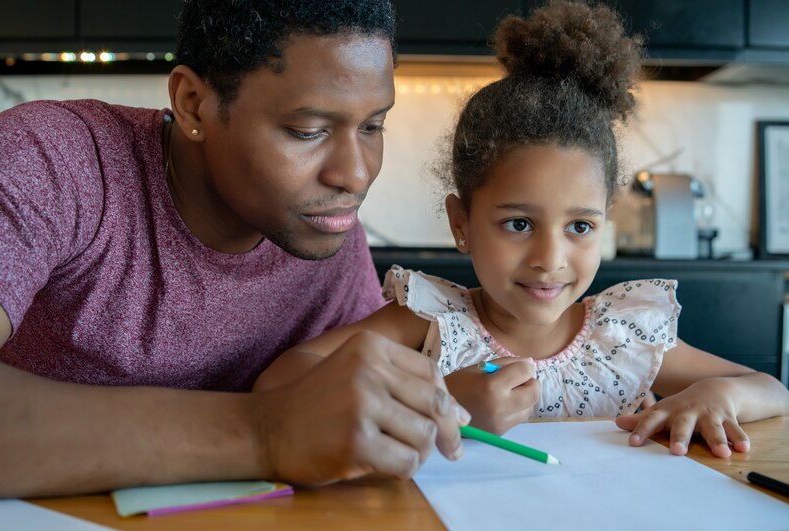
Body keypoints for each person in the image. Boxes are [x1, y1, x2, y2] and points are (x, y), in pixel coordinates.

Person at [0, 0, 472, 499]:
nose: (356, 175)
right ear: (192, 104)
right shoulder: (54, 162)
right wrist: (265, 433)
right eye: (307, 131)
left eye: (372, 126)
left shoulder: (327, 236)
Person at [255, 0, 789, 458]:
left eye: (580, 225)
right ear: (461, 224)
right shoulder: (429, 323)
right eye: (518, 223)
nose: (549, 257)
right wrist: (441, 398)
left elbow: (770, 390)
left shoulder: (623, 337)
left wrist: (717, 395)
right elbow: (281, 382)